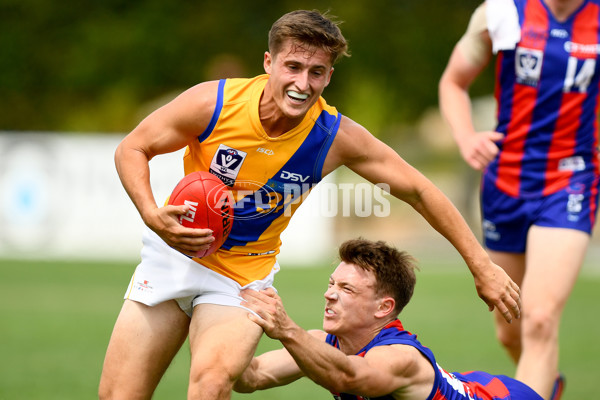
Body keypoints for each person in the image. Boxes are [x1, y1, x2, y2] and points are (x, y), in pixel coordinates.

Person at [99, 9, 521, 400]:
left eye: (316, 72)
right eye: (293, 67)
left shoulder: (334, 137)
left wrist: (481, 266)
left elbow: (419, 190)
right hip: (173, 254)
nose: (303, 84)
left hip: (241, 277)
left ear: (329, 77)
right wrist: (153, 214)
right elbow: (133, 148)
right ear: (269, 63)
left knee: (210, 383)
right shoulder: (214, 103)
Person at [438, 0, 600, 399]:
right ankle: (550, 386)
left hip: (570, 181)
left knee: (541, 320)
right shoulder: (502, 12)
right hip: (505, 184)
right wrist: (466, 137)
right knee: (510, 329)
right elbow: (453, 82)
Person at [235, 238, 543, 400]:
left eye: (346, 289)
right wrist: (214, 300)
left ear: (383, 308)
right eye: (331, 284)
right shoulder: (321, 344)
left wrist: (286, 329)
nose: (329, 295)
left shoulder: (400, 357)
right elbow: (250, 378)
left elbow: (348, 378)